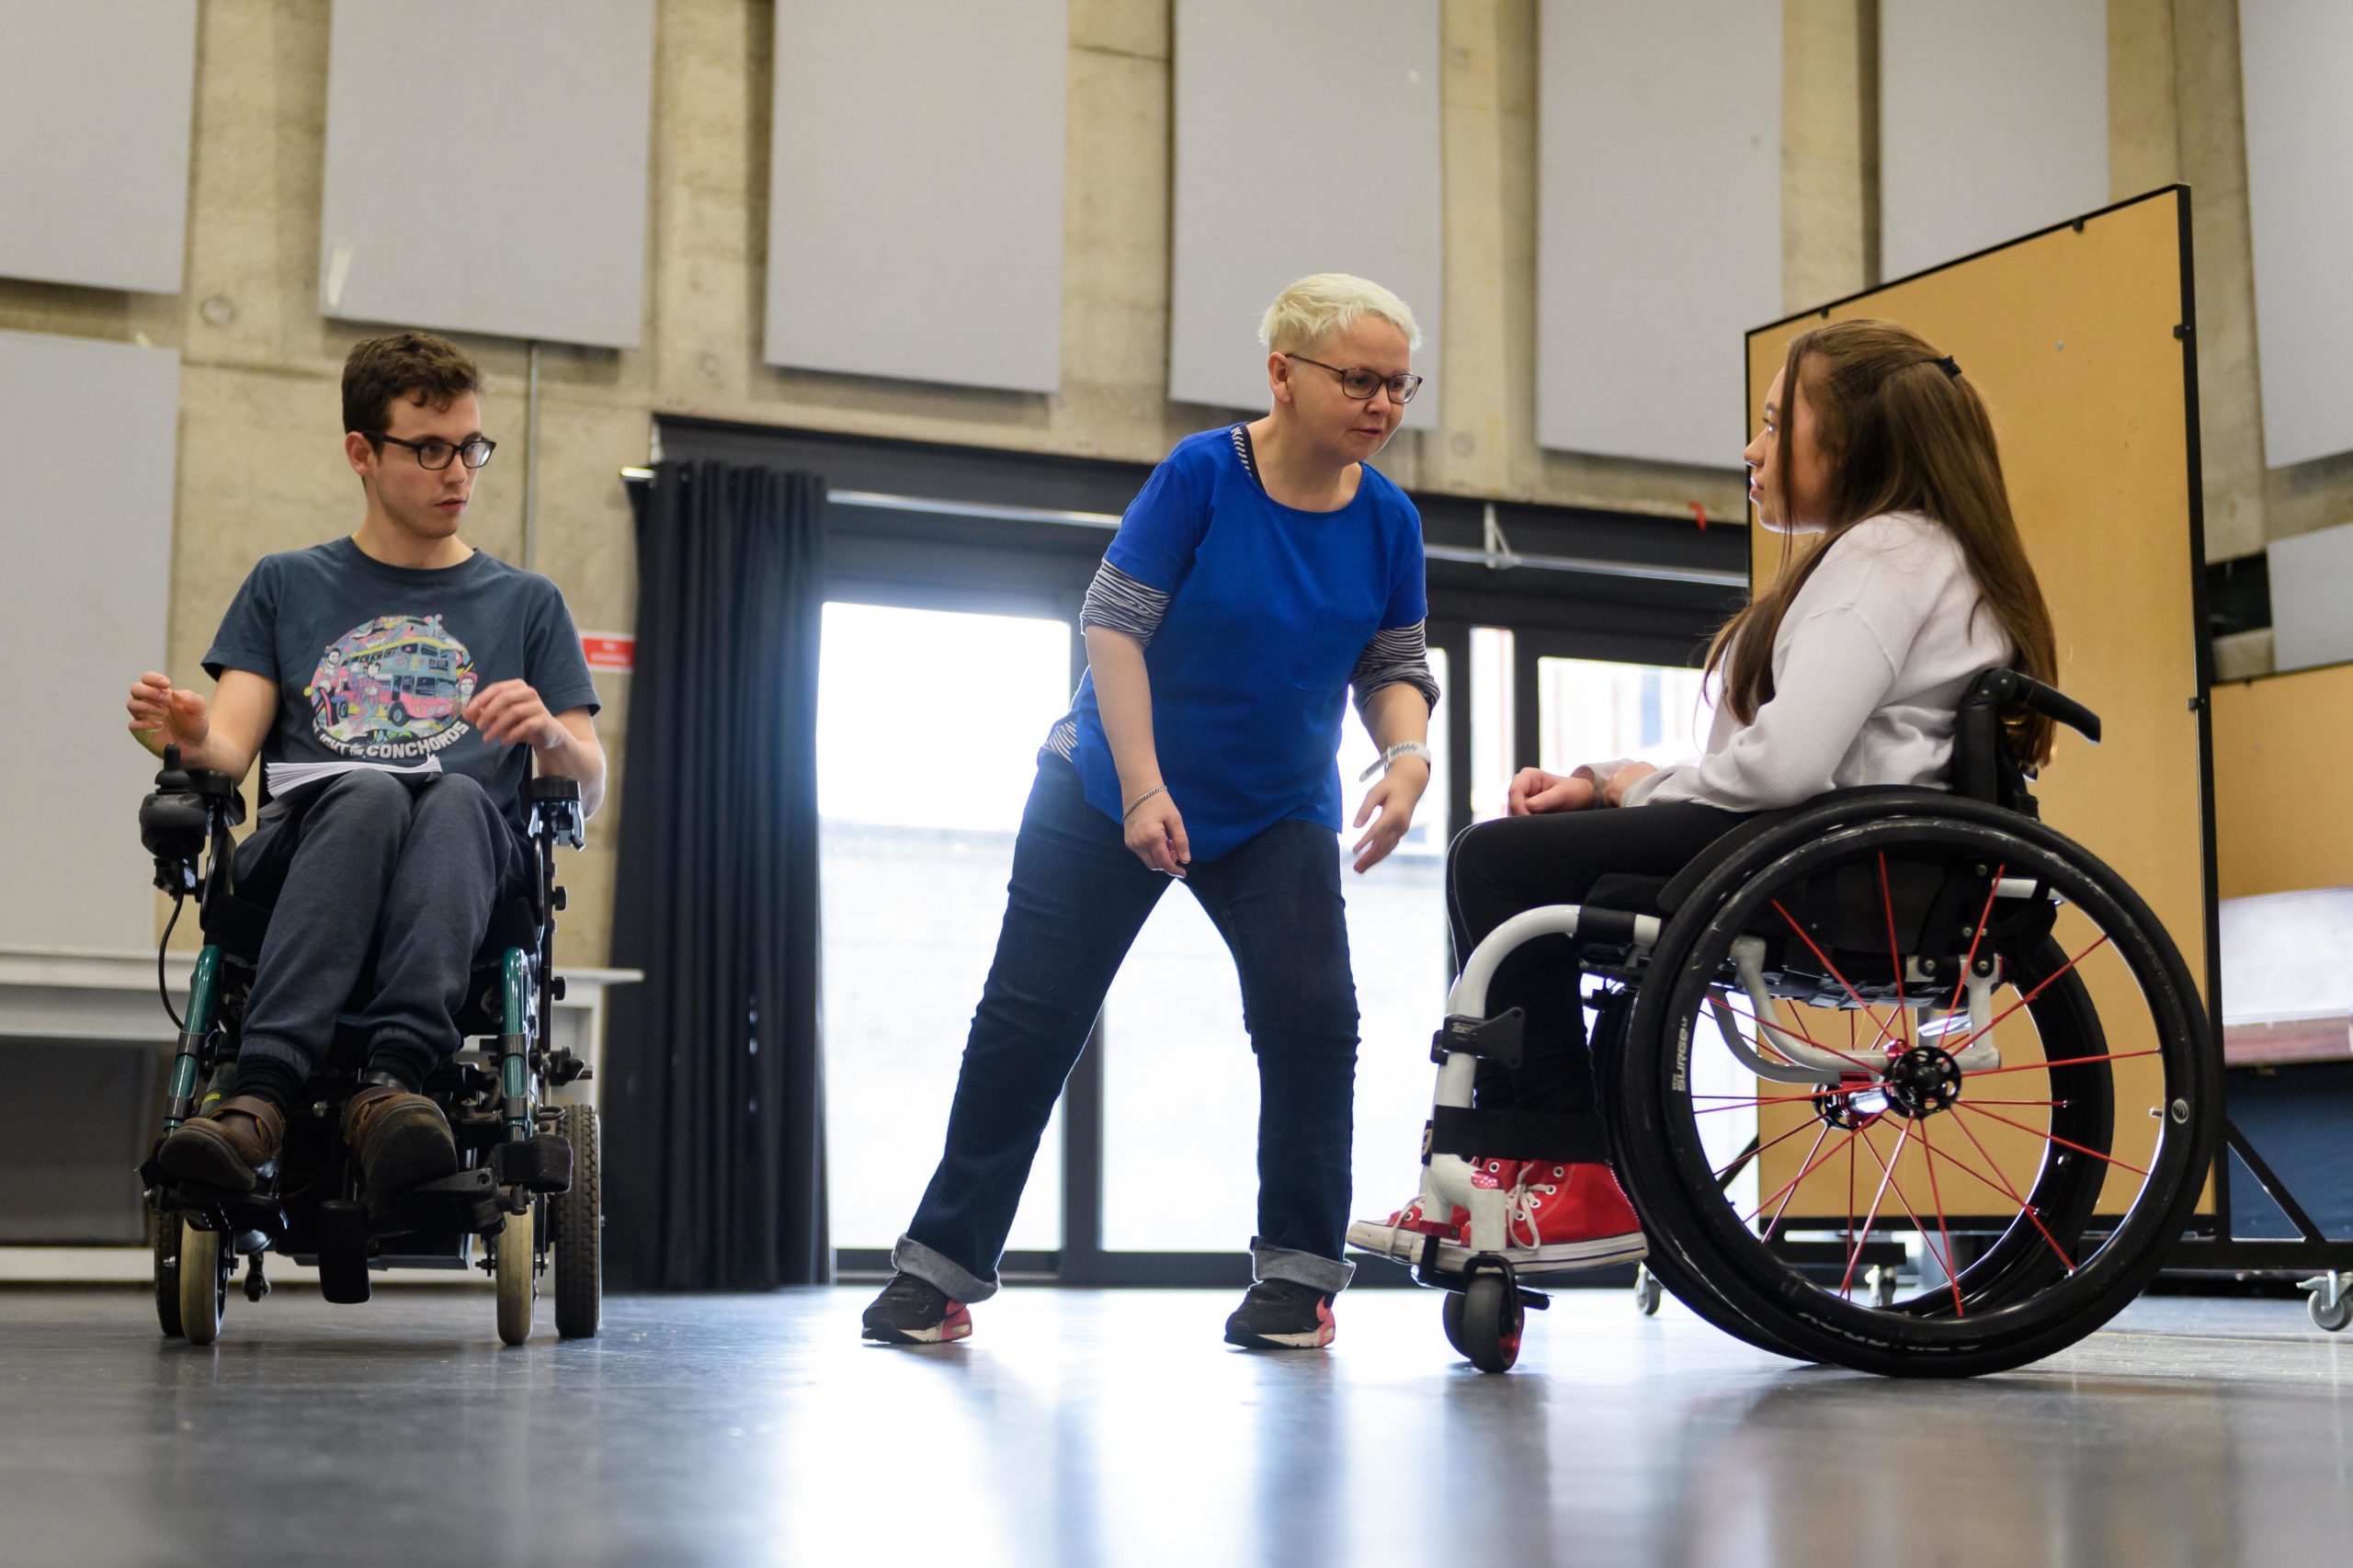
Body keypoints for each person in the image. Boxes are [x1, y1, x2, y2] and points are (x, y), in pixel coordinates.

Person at [1349, 316, 2060, 1269]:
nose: (1751, 447)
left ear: (1847, 442)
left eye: (1774, 423)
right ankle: (1520, 1163)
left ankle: (1563, 1166)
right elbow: (1784, 761)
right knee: (1531, 863)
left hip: (1827, 866)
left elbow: (1780, 770)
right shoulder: (1915, 554)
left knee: (1495, 857)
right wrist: (1614, 786)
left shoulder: (1885, 556)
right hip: (1848, 858)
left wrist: (1633, 788)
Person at [862, 274, 1440, 1349]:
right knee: (1026, 1023)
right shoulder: (1201, 476)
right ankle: (937, 1270)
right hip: (1104, 783)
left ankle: (1298, 1278)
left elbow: (1391, 659)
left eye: (1398, 385)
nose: (1381, 404)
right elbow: (1112, 624)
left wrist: (1404, 754)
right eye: (1358, 379)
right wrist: (1141, 787)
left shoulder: (1388, 520)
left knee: (1313, 1021)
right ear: (1283, 371)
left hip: (1276, 805)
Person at [135, 331, 605, 1214]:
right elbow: (226, 750)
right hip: (316, 848)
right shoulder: (287, 585)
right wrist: (189, 737)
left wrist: (549, 732)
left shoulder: (527, 603)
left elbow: (586, 781)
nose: (458, 472)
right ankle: (263, 1095)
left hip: (464, 865)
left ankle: (392, 1084)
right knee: (369, 790)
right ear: (362, 451)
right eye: (430, 449)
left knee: (459, 795)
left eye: (472, 447)